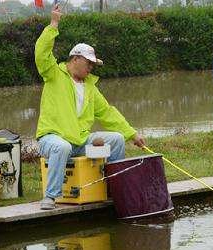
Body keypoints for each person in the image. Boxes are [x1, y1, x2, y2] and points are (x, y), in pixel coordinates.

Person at [35, 5, 145, 210]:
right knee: (62, 146)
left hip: (80, 140)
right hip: (51, 138)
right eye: (89, 63)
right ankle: (50, 197)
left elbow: (108, 113)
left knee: (117, 139)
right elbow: (42, 53)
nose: (91, 67)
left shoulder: (90, 88)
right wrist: (53, 24)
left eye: (93, 65)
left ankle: (114, 188)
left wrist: (132, 134)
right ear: (75, 59)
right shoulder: (53, 74)